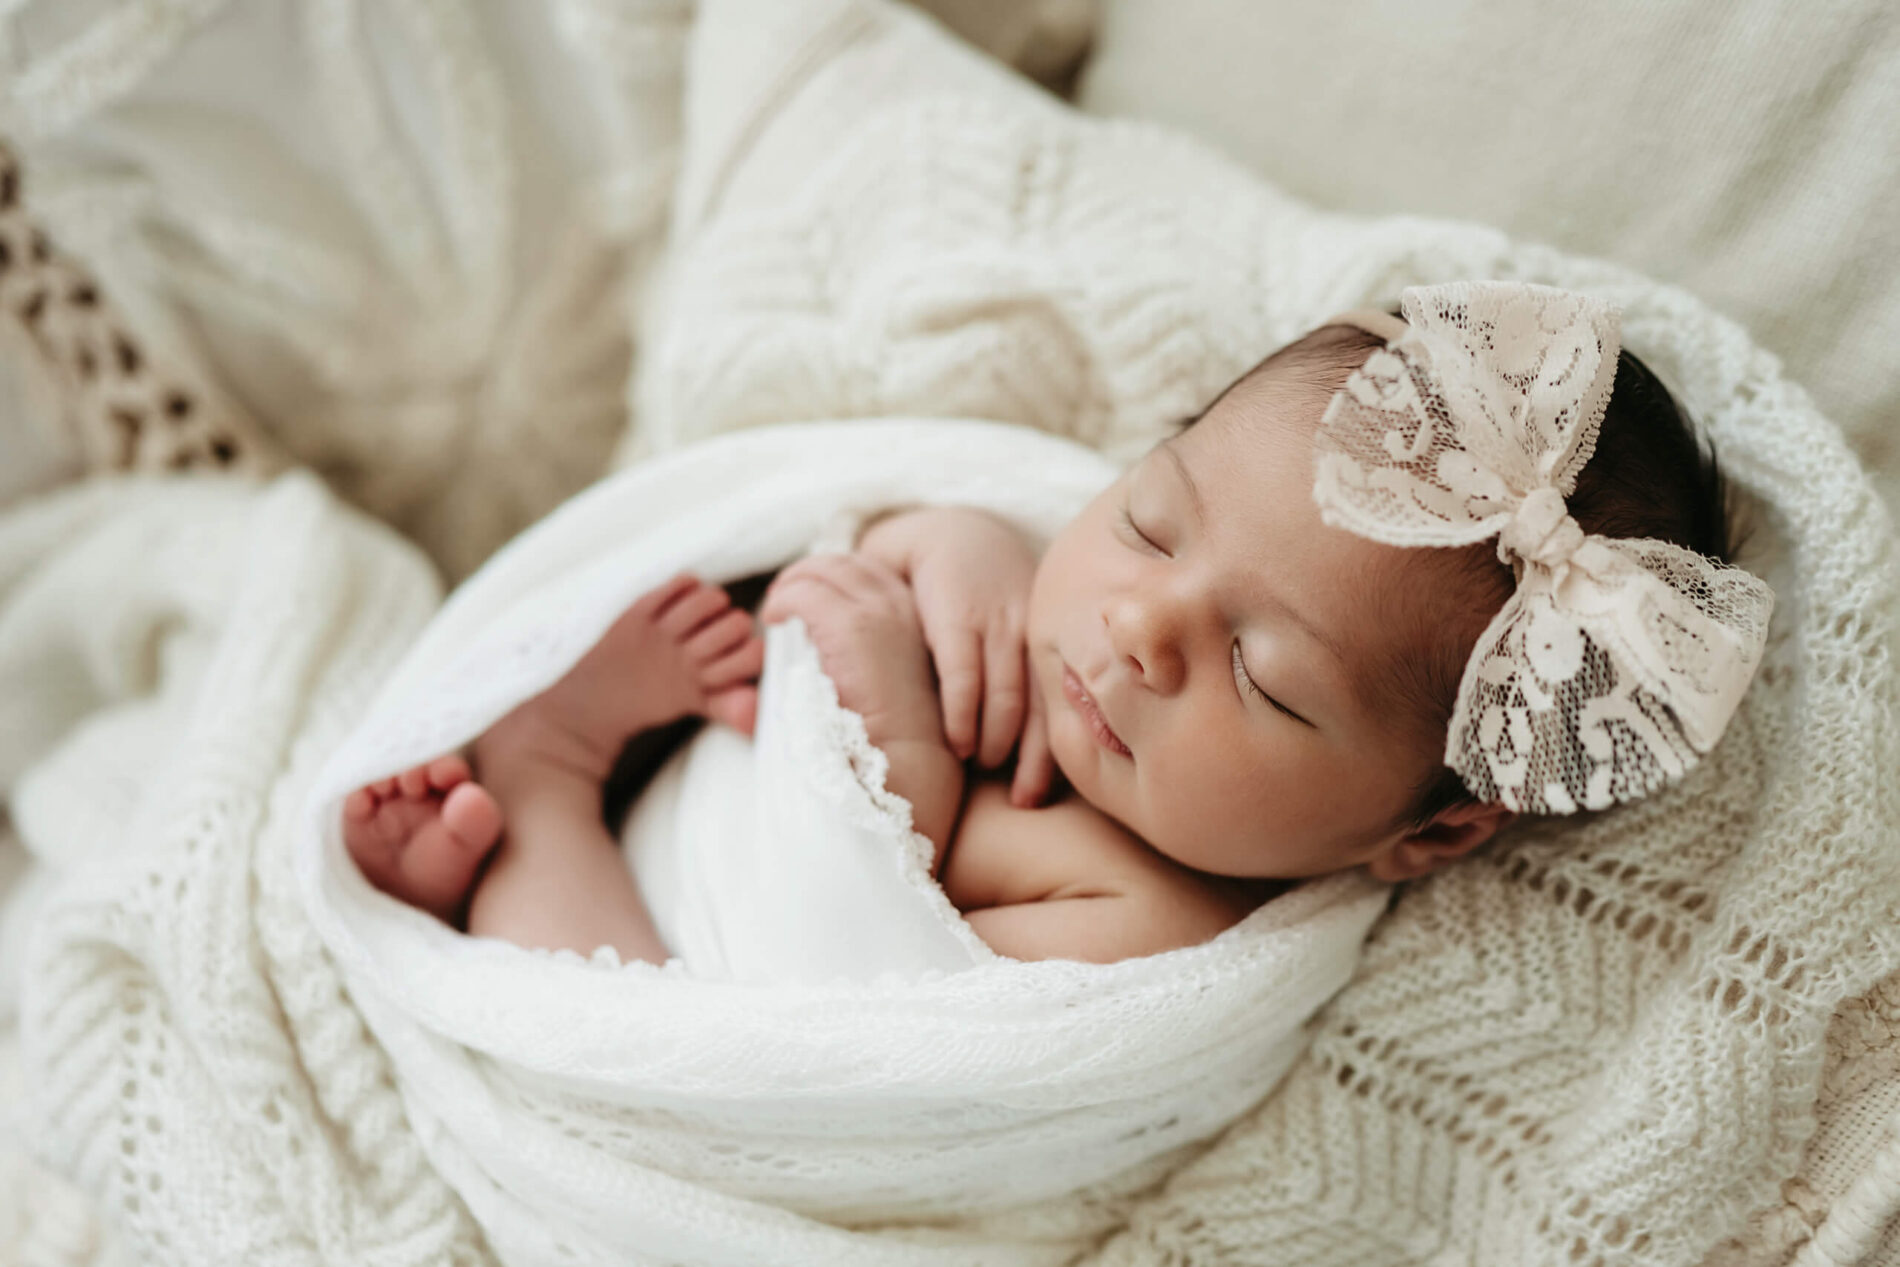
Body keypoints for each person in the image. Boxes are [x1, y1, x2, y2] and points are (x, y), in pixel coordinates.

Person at [341, 282, 1771, 965]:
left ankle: (542, 787)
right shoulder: (1056, 586)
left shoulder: (1156, 921)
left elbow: (859, 984)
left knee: (610, 998)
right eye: (1153, 517)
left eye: (1267, 683)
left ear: (1426, 831)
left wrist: (893, 737)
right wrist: (935, 543)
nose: (1138, 622)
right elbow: (864, 532)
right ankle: (543, 734)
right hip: (709, 761)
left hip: (668, 935)